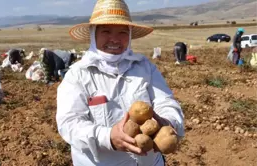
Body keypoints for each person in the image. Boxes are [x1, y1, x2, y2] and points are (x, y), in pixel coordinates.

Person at [56, 0, 185, 166]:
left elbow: (166, 102)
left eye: (122, 33)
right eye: (106, 31)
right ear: (94, 35)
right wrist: (108, 137)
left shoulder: (145, 68)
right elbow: (69, 124)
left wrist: (167, 122)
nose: (114, 39)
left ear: (130, 35)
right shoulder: (77, 75)